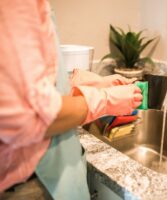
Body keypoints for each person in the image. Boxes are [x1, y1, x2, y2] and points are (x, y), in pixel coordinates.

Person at [0, 0, 142, 199]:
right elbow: (30, 116)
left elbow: (29, 91)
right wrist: (105, 100)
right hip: (35, 185)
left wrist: (88, 85)